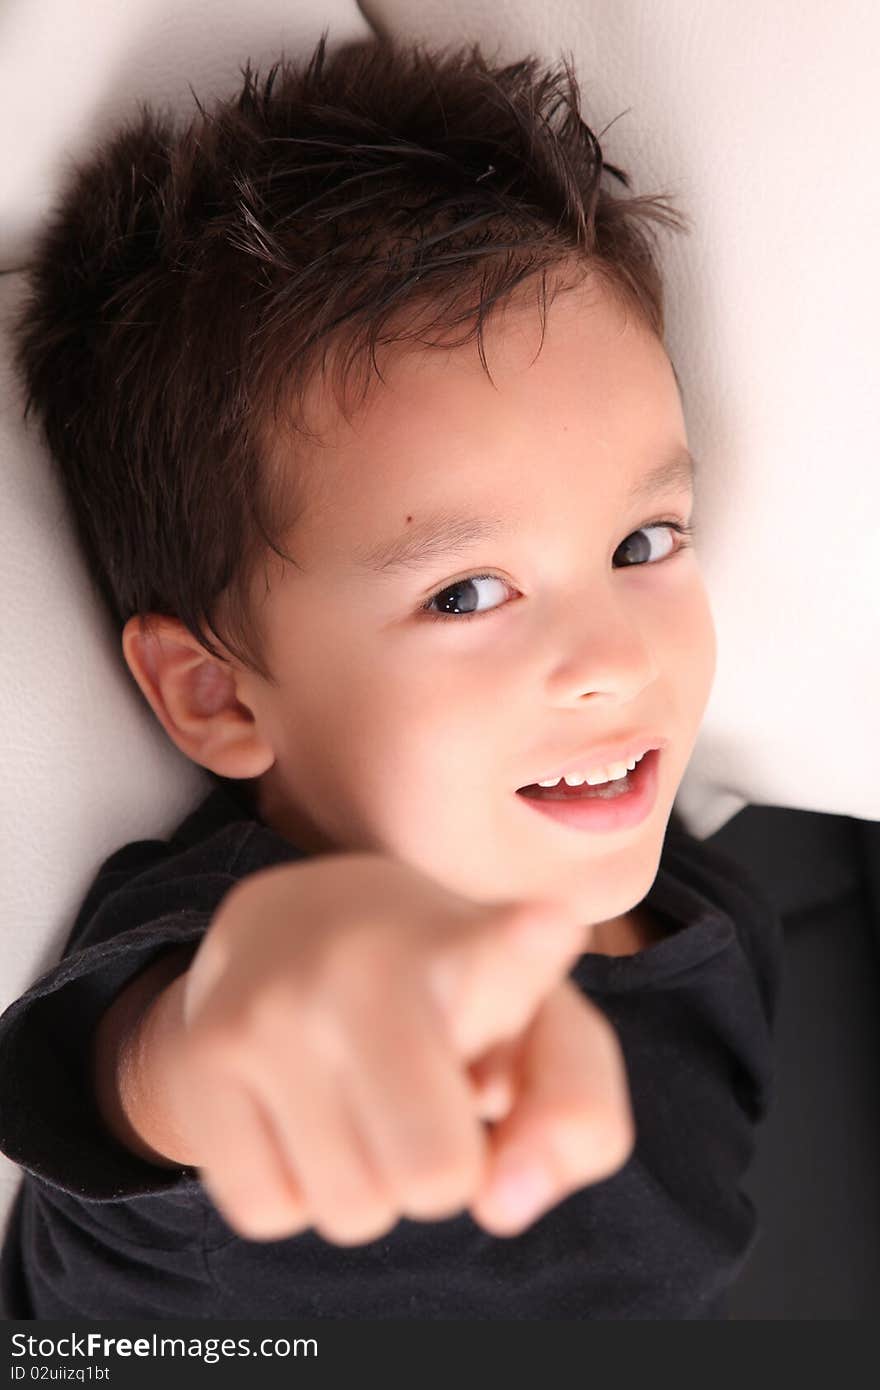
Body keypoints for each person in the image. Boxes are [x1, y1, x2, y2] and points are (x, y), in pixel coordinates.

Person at [0, 31, 780, 1319]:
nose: (613, 658)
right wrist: (243, 1018)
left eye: (641, 543)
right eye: (466, 593)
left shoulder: (702, 898)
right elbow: (167, 1070)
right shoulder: (221, 961)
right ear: (218, 694)